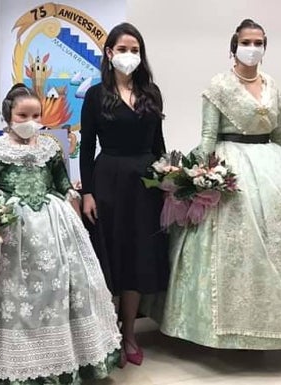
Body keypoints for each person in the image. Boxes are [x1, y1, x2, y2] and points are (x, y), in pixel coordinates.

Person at [160, 19, 281, 350]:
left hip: (272, 163)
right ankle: (223, 325)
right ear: (233, 46)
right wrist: (196, 176)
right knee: (233, 245)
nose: (252, 48)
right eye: (246, 42)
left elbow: (280, 131)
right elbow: (209, 136)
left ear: (265, 47)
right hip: (232, 165)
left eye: (258, 42)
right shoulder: (219, 86)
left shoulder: (272, 83)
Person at [0, 84, 121, 384]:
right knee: (9, 293)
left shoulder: (49, 147)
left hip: (53, 225)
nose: (30, 120)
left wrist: (73, 201)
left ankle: (63, 360)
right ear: (9, 115)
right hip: (8, 225)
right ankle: (3, 363)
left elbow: (62, 184)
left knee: (56, 288)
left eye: (35, 114)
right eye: (23, 114)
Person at [79, 22, 169, 366]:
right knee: (109, 258)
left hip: (145, 185)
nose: (129, 55)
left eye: (135, 50)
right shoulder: (96, 95)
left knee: (137, 258)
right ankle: (106, 334)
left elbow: (159, 144)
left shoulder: (152, 92)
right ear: (109, 53)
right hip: (108, 181)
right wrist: (87, 192)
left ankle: (130, 331)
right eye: (123, 49)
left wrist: (168, 181)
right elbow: (86, 149)